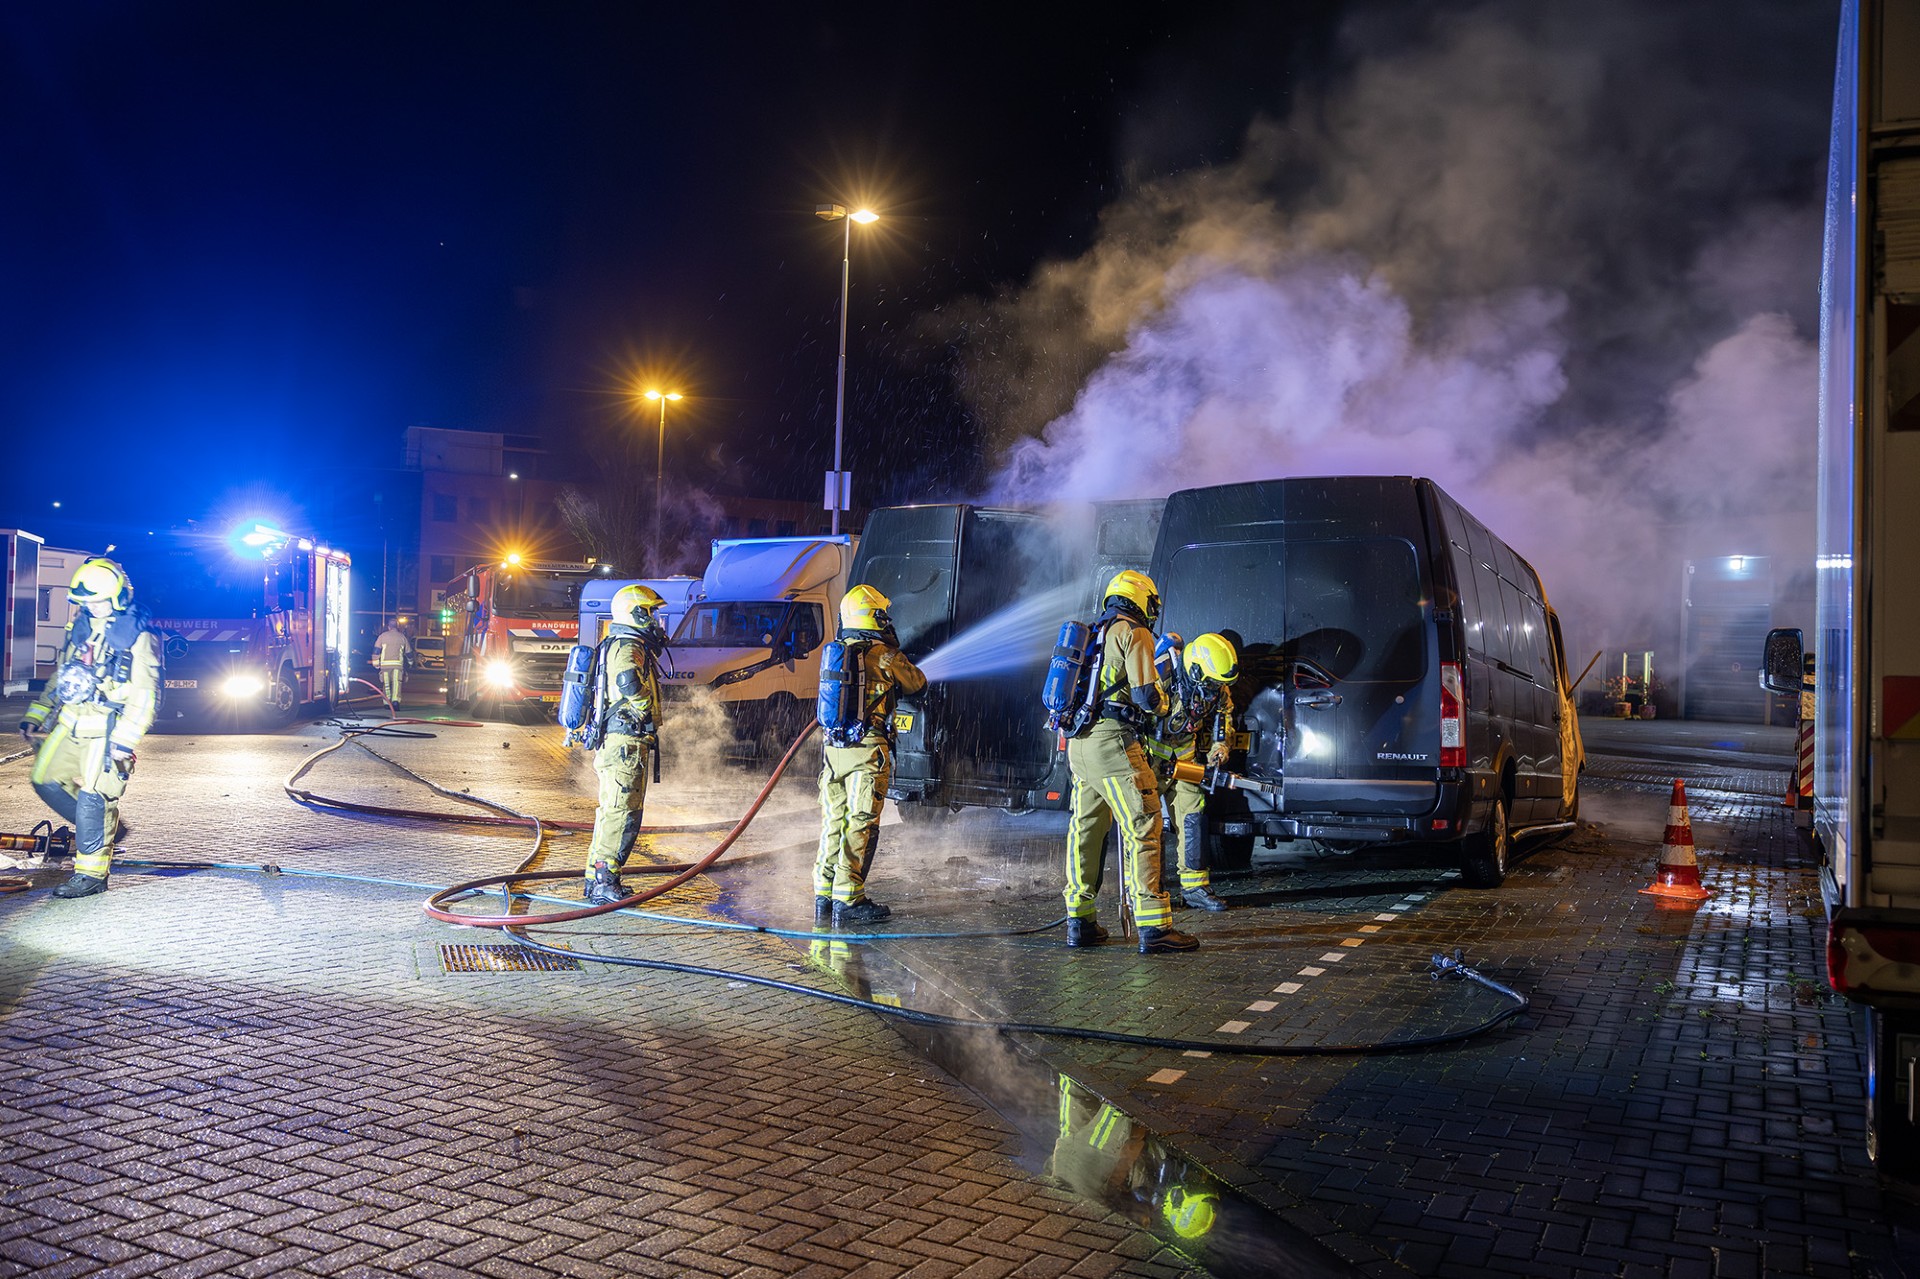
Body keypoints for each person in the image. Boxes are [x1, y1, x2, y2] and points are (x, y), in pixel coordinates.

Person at [1061, 570, 1197, 954]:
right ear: (1142, 600)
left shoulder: (1094, 632)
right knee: (1144, 823)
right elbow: (1145, 696)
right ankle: (1154, 927)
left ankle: (1080, 921)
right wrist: (1168, 705)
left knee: (1086, 828)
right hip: (1112, 744)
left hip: (1080, 743)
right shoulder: (1135, 633)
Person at [19, 558, 162, 898]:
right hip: (70, 723)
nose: (91, 607)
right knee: (44, 779)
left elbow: (145, 695)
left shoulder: (138, 636)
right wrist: (38, 713)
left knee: (92, 800)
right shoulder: (79, 628)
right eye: (85, 602)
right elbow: (62, 676)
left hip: (107, 731)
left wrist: (124, 741)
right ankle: (104, 826)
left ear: (118, 597)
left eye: (98, 601)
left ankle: (91, 876)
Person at [814, 584, 926, 925]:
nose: (887, 620)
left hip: (834, 750)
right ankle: (849, 898)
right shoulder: (884, 655)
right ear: (871, 616)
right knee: (860, 822)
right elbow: (917, 683)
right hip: (867, 750)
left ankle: (824, 892)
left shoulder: (838, 652)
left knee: (834, 822)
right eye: (882, 615)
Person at [581, 583, 667, 906]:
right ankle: (604, 881)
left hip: (619, 743)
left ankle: (595, 877)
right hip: (625, 745)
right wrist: (644, 707)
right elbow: (627, 681)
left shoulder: (619, 643)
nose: (654, 621)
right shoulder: (629, 645)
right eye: (650, 613)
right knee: (622, 812)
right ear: (635, 614)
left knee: (611, 810)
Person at [1142, 631, 1238, 912]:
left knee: (1193, 816)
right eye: (1212, 683)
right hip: (1150, 759)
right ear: (1195, 670)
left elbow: (1224, 714)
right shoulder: (1161, 674)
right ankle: (1148, 890)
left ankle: (1195, 888)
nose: (1216, 689)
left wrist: (1220, 746)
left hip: (1184, 759)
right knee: (1146, 823)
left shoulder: (1217, 685)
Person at [372, 619, 411, 706]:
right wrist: (410, 662)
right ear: (397, 627)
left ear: (388, 627)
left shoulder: (382, 636)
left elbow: (376, 650)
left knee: (386, 684)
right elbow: (408, 652)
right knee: (396, 683)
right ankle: (395, 701)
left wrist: (376, 663)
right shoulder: (402, 637)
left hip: (385, 665)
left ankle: (387, 702)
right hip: (397, 665)